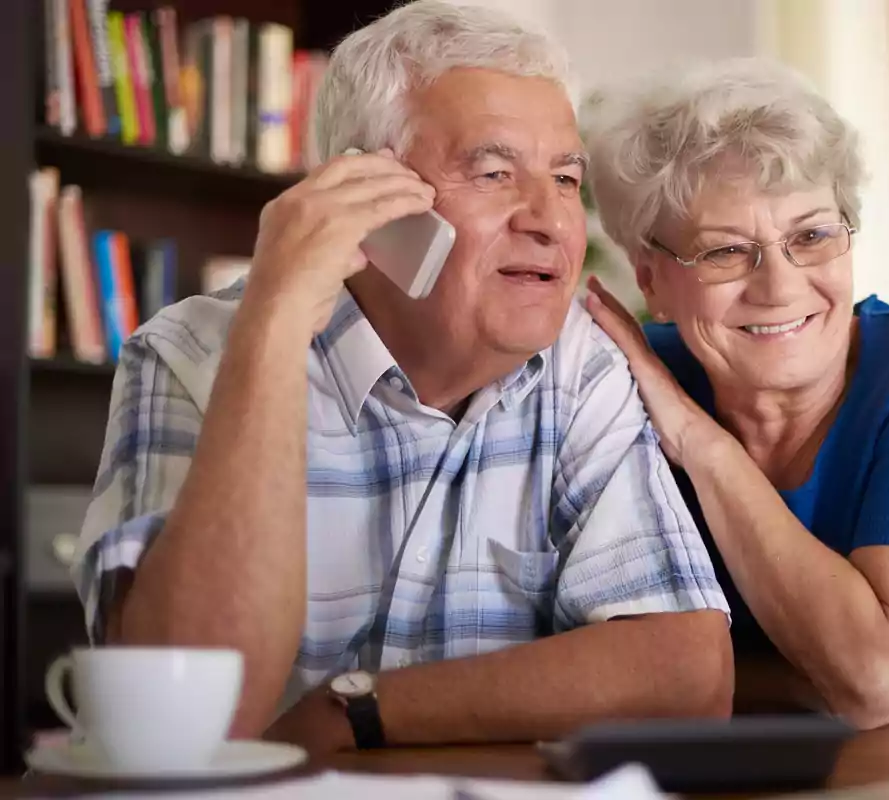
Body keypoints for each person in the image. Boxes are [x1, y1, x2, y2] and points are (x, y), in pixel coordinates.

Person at [71, 0, 732, 755]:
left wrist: (354, 711)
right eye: (493, 172)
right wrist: (276, 328)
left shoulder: (581, 368)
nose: (550, 219)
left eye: (563, 176)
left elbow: (686, 672)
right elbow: (181, 723)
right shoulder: (192, 355)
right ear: (369, 202)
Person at [582, 57, 889, 727]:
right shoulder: (623, 384)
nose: (780, 286)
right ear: (651, 281)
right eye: (725, 251)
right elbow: (566, 654)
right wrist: (806, 685)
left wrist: (702, 446)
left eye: (812, 236)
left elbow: (873, 674)